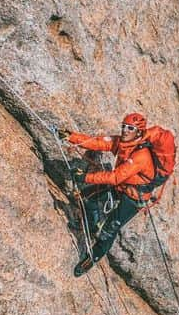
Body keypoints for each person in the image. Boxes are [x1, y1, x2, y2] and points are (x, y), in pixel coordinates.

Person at [62, 112, 158, 277]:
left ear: (139, 132)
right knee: (87, 198)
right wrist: (71, 137)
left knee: (109, 229)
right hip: (121, 187)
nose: (125, 130)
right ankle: (91, 225)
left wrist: (85, 177)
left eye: (130, 128)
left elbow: (115, 177)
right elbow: (98, 143)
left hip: (133, 199)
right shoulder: (122, 142)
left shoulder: (141, 156)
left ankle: (91, 258)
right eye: (124, 126)